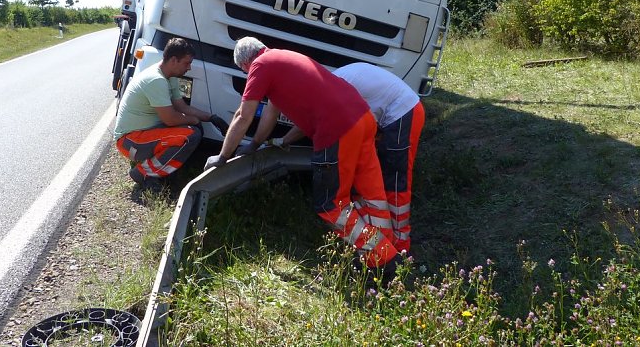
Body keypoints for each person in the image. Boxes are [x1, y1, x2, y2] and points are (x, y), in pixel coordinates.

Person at [205, 37, 401, 272]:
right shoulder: (284, 58)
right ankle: (389, 253)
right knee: (373, 196)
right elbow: (271, 112)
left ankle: (385, 258)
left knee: (330, 205)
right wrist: (255, 143)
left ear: (245, 64)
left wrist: (224, 156)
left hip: (337, 130)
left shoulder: (261, 65)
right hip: (364, 119)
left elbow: (242, 115)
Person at [332, 63, 425, 255]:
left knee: (396, 182)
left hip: (403, 111)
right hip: (391, 114)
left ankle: (400, 246)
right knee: (380, 180)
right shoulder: (336, 81)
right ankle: (384, 240)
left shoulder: (337, 87)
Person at [114, 38, 228, 191]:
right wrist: (194, 120)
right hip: (129, 141)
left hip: (142, 134)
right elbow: (170, 119)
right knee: (189, 135)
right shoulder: (156, 80)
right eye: (186, 63)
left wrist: (211, 118)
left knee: (193, 128)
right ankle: (143, 174)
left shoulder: (169, 76)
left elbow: (182, 107)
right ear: (174, 60)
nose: (189, 68)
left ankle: (162, 171)